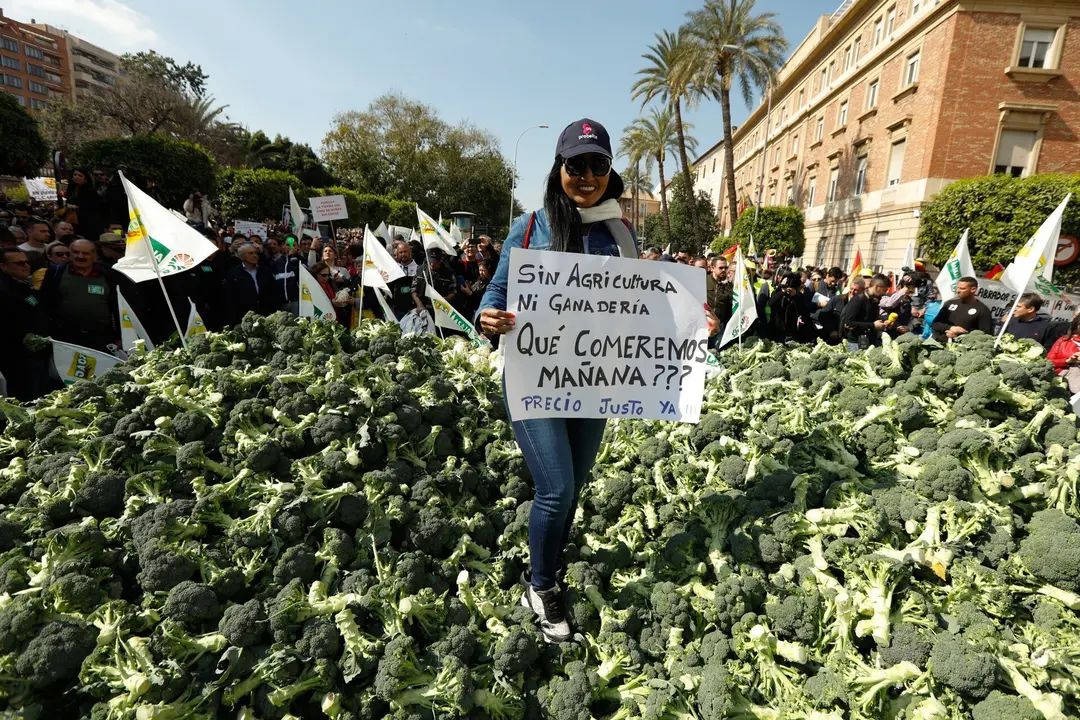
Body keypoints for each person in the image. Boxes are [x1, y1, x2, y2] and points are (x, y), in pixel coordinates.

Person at [476, 118, 720, 643]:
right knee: (556, 487)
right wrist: (488, 317)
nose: (587, 175)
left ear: (610, 173)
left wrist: (692, 322)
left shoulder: (620, 233)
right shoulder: (528, 227)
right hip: (536, 378)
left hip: (593, 382)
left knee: (573, 488)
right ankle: (540, 587)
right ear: (559, 168)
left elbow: (642, 306)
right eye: (576, 164)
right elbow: (494, 293)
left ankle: (550, 567)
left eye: (598, 165)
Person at [40, 238, 118, 352]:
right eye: (76, 252)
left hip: (102, 337)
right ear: (70, 254)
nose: (80, 256)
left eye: (85, 253)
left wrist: (119, 336)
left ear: (94, 255)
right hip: (65, 336)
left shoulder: (108, 274)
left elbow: (117, 306)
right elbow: (44, 302)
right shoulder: (56, 272)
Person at [0, 248, 50, 400]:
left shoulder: (23, 286)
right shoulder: (4, 289)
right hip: (16, 357)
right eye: (19, 263)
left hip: (35, 352)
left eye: (27, 262)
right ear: (3, 266)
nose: (25, 266)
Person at [224, 243, 278, 325]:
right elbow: (230, 298)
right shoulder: (233, 274)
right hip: (244, 318)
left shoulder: (265, 271)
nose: (254, 256)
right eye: (250, 253)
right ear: (241, 257)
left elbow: (273, 292)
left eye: (255, 253)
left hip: (266, 316)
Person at [931, 277, 992, 342]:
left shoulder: (982, 309)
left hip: (962, 349)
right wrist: (950, 328)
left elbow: (985, 335)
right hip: (941, 344)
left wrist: (959, 336)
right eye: (957, 287)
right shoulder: (949, 304)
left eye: (962, 288)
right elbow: (935, 324)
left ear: (973, 289)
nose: (958, 291)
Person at [840, 274, 891, 350]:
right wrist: (873, 325)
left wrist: (883, 323)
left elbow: (870, 319)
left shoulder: (874, 299)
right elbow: (849, 323)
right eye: (884, 290)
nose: (885, 293)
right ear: (876, 287)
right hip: (856, 343)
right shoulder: (858, 300)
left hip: (869, 341)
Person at [386, 239, 427, 321]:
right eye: (400, 252)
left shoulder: (419, 269)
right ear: (397, 253)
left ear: (410, 252)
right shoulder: (394, 269)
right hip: (398, 310)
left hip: (414, 310)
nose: (403, 254)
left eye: (405, 252)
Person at [767, 272, 814, 342]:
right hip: (776, 330)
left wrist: (795, 297)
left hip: (790, 332)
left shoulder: (799, 296)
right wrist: (783, 290)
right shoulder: (777, 293)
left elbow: (803, 311)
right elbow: (770, 303)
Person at [64, 168, 104, 241]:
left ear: (85, 179)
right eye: (75, 174)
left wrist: (77, 208)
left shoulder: (90, 192)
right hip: (73, 223)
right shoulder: (72, 190)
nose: (76, 177)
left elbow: (94, 210)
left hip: (87, 225)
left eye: (80, 175)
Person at [310, 261, 352, 326]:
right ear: (315, 274)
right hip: (321, 320)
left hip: (335, 318)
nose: (327, 277)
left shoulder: (331, 283)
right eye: (323, 275)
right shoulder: (311, 287)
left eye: (328, 275)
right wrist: (331, 302)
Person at [1047, 315, 1080, 393]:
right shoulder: (1063, 341)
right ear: (1076, 326)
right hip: (1060, 382)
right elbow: (1049, 362)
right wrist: (1068, 361)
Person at [705, 256, 733, 327]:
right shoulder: (704, 280)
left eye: (725, 268)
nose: (724, 270)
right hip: (704, 324)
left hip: (720, 325)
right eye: (720, 268)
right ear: (712, 268)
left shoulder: (729, 285)